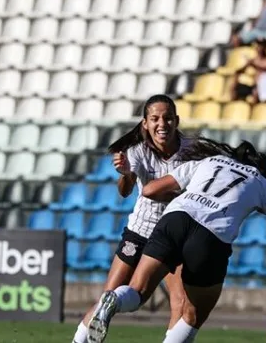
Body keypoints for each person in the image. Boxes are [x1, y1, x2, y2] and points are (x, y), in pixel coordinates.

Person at [87, 139, 266, 343]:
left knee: (138, 291)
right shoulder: (261, 182)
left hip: (175, 217)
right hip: (211, 235)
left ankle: (114, 299)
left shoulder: (211, 161)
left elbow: (149, 190)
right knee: (193, 314)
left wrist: (192, 197)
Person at [72, 94, 189, 343]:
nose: (162, 124)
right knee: (109, 296)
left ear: (177, 120)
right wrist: (126, 173)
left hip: (173, 234)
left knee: (179, 302)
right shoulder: (137, 151)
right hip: (141, 230)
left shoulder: (191, 151)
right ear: (145, 123)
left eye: (168, 118)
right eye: (155, 118)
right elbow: (125, 191)